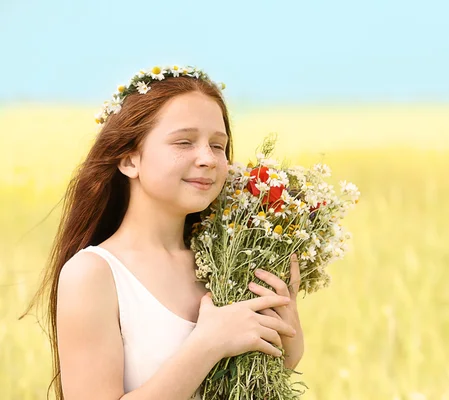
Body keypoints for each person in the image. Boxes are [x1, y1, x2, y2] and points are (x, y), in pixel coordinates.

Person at [20, 65, 305, 400]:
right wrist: (208, 344)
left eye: (217, 146)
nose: (208, 159)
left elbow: (272, 372)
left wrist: (287, 329)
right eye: (184, 142)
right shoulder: (93, 274)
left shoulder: (228, 260)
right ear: (129, 160)